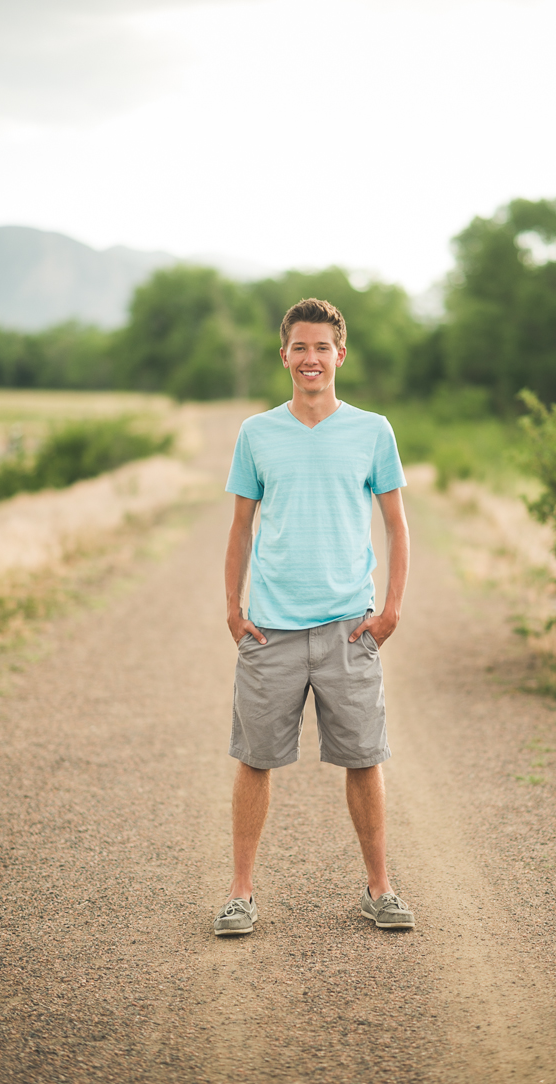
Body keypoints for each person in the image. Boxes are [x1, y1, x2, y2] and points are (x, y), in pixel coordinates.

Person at [214, 297, 414, 936]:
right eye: (299, 347)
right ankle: (242, 893)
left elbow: (396, 526)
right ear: (284, 356)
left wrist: (390, 612)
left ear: (340, 355)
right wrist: (232, 608)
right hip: (270, 630)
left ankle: (379, 888)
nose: (310, 358)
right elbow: (240, 527)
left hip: (346, 628)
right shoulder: (257, 433)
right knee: (255, 760)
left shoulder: (372, 430)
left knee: (364, 759)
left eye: (321, 347)